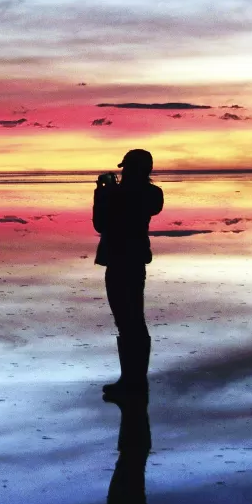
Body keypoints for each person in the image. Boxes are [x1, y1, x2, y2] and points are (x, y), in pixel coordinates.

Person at [92, 149, 163, 402]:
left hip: (123, 261)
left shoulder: (128, 195)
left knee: (129, 320)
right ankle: (133, 379)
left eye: (126, 169)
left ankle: (133, 382)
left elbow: (100, 223)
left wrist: (102, 193)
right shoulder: (149, 193)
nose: (122, 173)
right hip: (130, 260)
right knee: (131, 320)